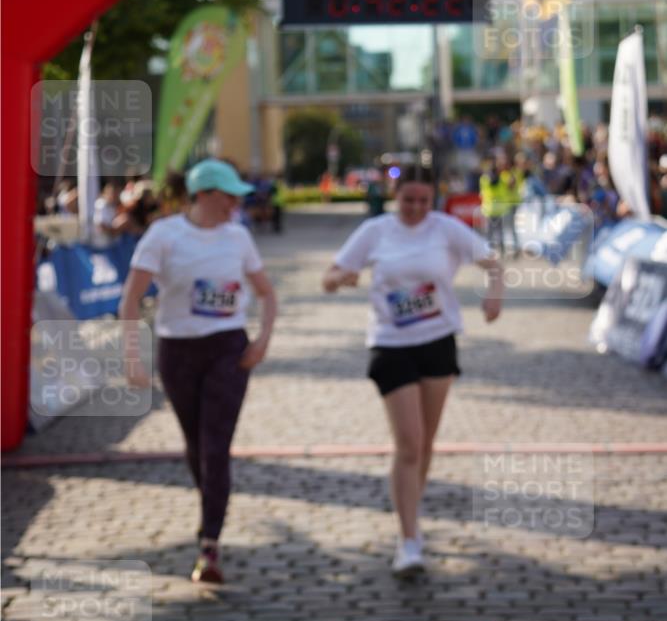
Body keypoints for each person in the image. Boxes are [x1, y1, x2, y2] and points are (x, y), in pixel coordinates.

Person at [322, 164, 503, 577]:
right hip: (390, 344)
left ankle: (410, 514)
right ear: (394, 195)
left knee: (425, 444)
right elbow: (327, 277)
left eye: (424, 200)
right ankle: (408, 541)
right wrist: (341, 278)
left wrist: (494, 295)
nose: (416, 208)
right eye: (408, 200)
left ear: (433, 199)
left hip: (438, 342)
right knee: (408, 443)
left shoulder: (446, 228)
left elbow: (493, 264)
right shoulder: (375, 231)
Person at [120, 158, 277, 584]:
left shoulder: (239, 236)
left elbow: (266, 293)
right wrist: (131, 358)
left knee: (215, 447)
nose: (235, 204)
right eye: (228, 196)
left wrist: (262, 340)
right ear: (205, 194)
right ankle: (210, 507)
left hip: (228, 349)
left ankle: (210, 546)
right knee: (195, 444)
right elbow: (131, 297)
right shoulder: (164, 235)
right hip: (178, 352)